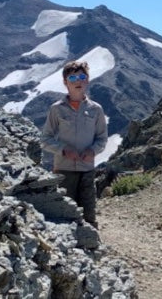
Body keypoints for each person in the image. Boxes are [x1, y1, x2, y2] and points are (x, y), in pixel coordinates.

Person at [41, 60, 108, 227]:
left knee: (89, 214)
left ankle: (91, 246)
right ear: (65, 82)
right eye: (72, 78)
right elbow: (45, 139)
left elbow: (102, 138)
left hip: (87, 169)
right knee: (66, 214)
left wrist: (93, 151)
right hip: (64, 170)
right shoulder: (57, 109)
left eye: (82, 77)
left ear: (87, 80)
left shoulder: (96, 109)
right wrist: (63, 150)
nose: (78, 81)